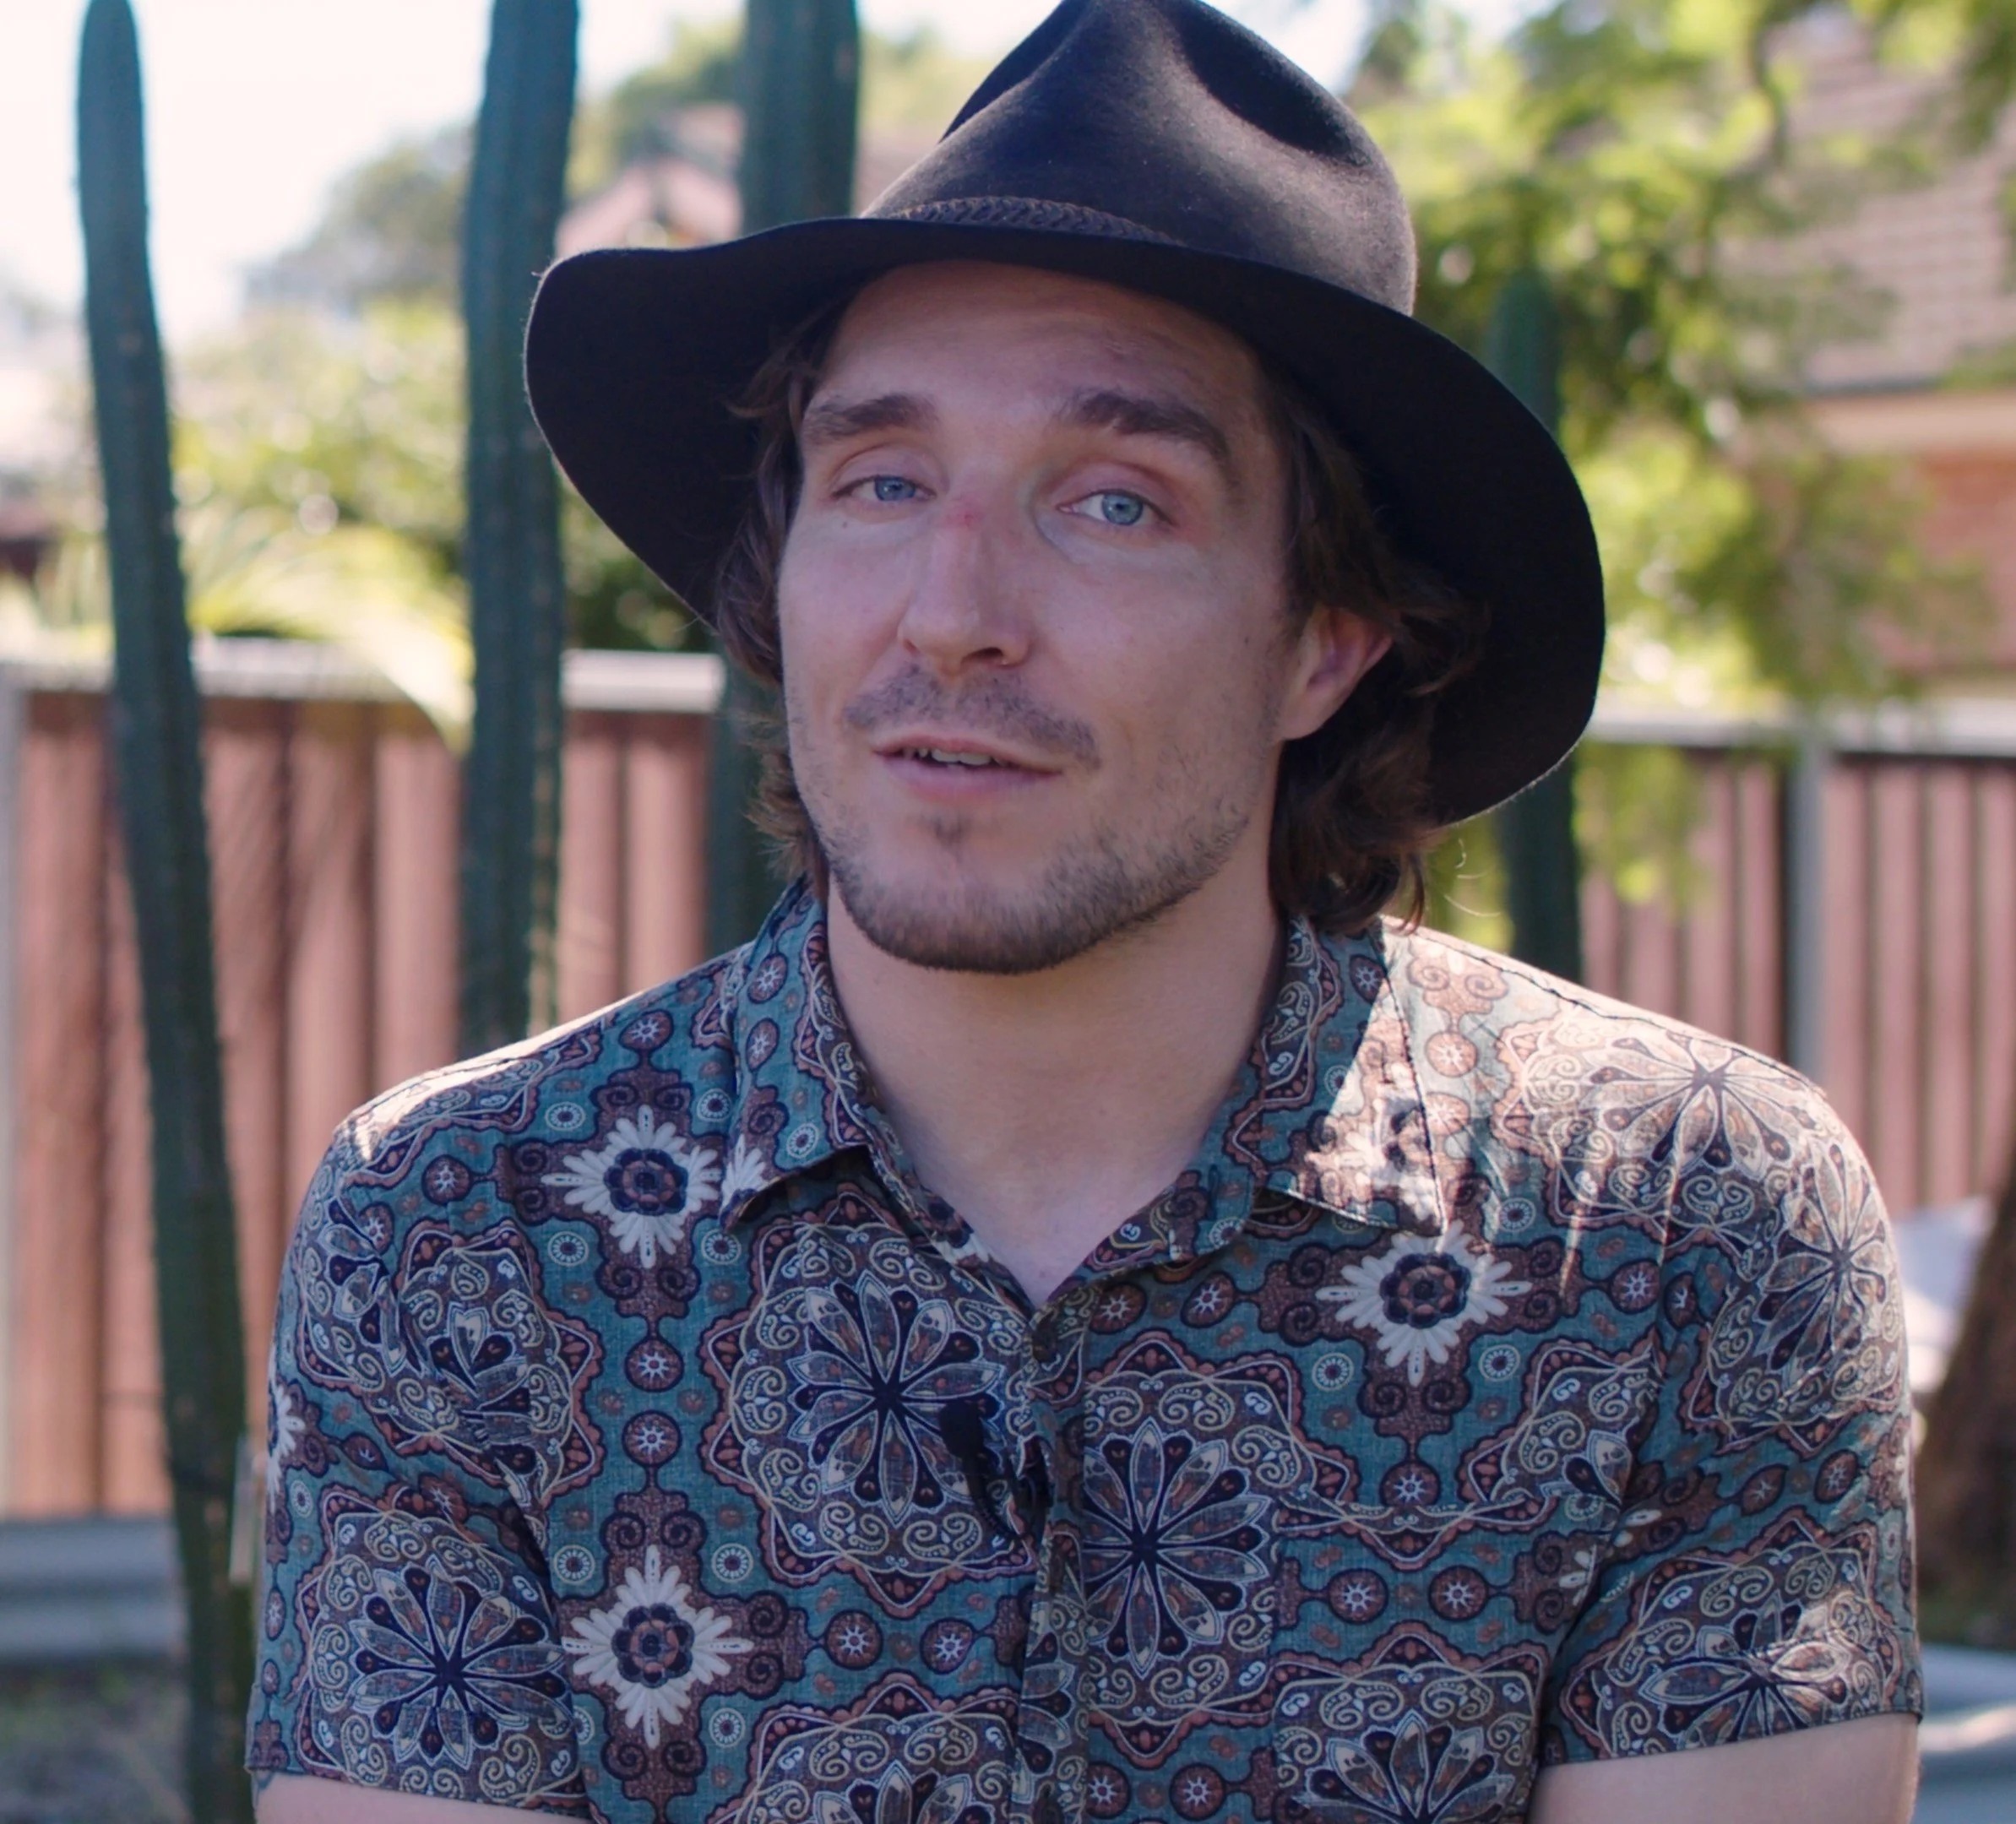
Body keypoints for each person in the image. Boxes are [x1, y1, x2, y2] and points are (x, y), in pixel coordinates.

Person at [251, 1, 1919, 1819]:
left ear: (1326, 641)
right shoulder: (461, 1227)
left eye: (1115, 503)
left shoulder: (1672, 1222)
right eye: (883, 481)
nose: (950, 613)